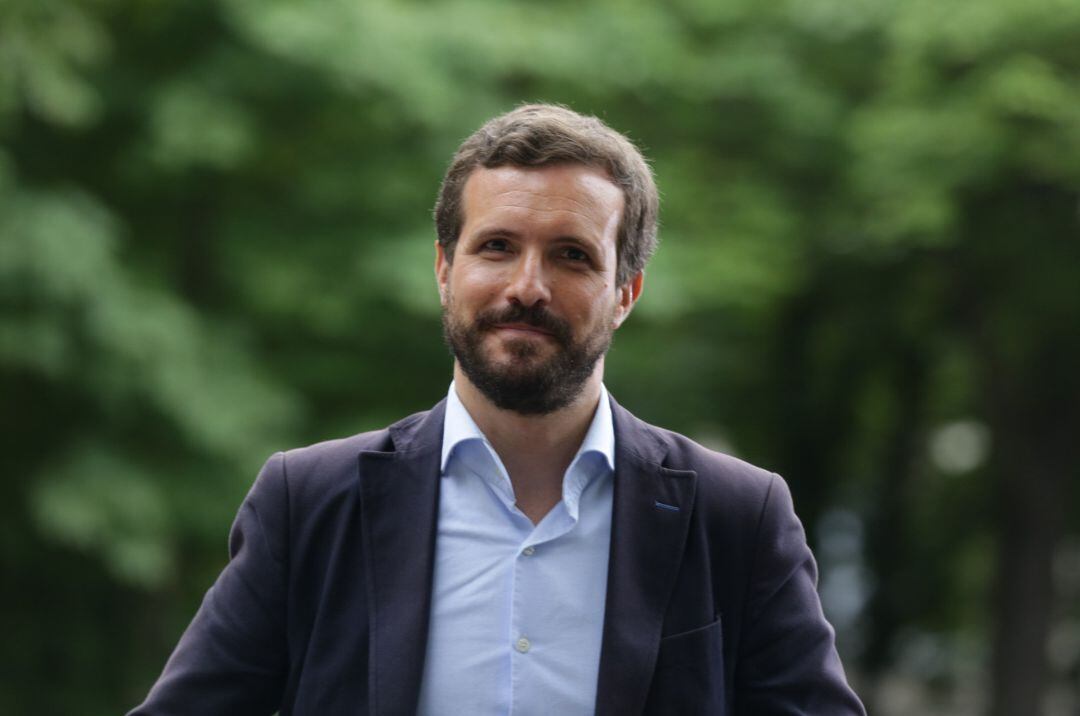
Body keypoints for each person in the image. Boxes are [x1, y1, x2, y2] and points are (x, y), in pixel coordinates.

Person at [130, 104, 866, 715]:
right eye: (498, 246)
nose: (527, 286)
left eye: (572, 255)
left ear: (626, 293)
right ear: (446, 269)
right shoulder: (312, 503)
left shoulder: (736, 516)